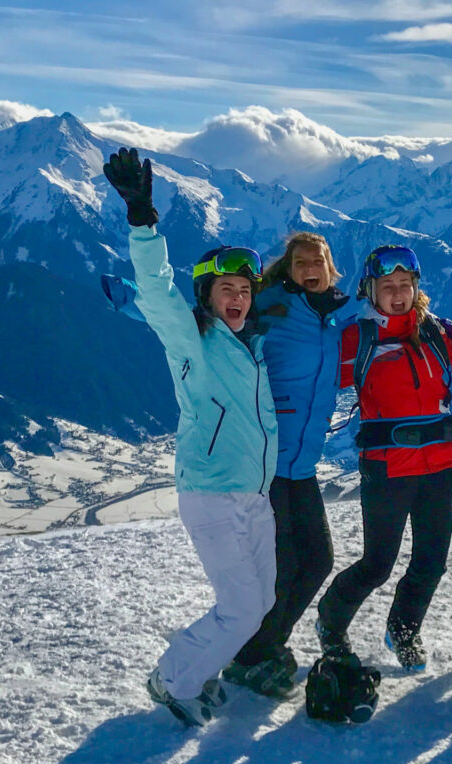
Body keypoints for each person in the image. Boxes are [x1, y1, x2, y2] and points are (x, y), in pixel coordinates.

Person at [102, 147, 278, 725]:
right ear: (206, 295)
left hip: (253, 495)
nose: (237, 298)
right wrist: (142, 218)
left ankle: (195, 671)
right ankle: (173, 679)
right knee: (242, 606)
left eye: (245, 290)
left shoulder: (250, 347)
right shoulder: (193, 341)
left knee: (261, 604)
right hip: (209, 492)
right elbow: (155, 290)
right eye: (226, 289)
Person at [314, 245, 452, 672]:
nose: (398, 294)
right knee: (378, 564)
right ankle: (331, 621)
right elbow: (311, 368)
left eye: (405, 285)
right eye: (388, 287)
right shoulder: (358, 337)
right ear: (372, 291)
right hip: (388, 468)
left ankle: (403, 630)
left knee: (431, 562)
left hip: (438, 465)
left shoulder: (436, 333)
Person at [221, 232, 352, 697]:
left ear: (330, 268)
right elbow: (210, 325)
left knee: (318, 560)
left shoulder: (334, 318)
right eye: (300, 261)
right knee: (282, 563)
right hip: (265, 459)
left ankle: (263, 646)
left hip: (303, 463)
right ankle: (252, 655)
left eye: (317, 260)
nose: (309, 267)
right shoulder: (268, 305)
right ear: (289, 268)